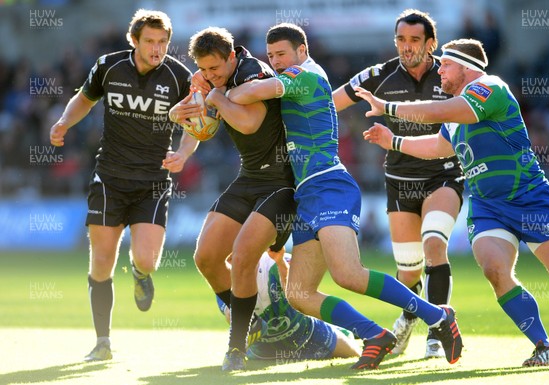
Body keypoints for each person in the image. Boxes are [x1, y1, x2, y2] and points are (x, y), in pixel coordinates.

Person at [223, 23, 463, 370]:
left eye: (281, 54)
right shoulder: (292, 80)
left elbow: (247, 94)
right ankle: (375, 335)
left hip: (329, 185)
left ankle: (437, 316)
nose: (274, 61)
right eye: (270, 55)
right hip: (308, 194)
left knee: (348, 274)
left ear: (302, 51)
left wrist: (218, 94)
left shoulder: (305, 75)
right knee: (299, 293)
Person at [358, 38, 549, 366]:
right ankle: (544, 347)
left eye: (445, 64)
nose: (439, 69)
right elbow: (439, 146)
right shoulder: (457, 111)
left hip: (529, 199)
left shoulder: (489, 88)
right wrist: (394, 140)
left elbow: (439, 110)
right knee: (494, 268)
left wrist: (387, 107)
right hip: (488, 206)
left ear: (466, 67)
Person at [49, 9, 197, 361]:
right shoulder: (108, 66)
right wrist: (63, 123)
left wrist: (185, 152)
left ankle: (139, 274)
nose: (157, 48)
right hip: (109, 178)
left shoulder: (180, 76)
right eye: (150, 41)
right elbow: (84, 98)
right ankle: (102, 342)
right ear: (134, 40)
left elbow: (197, 121)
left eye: (163, 42)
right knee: (100, 262)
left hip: (153, 181)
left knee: (146, 259)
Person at [332, 9, 464, 358]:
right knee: (408, 273)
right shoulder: (379, 75)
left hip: (443, 175)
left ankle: (436, 333)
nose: (406, 47)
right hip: (400, 181)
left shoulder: (449, 74)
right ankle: (406, 320)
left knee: (434, 244)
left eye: (414, 40)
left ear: (431, 43)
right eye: (401, 40)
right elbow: (333, 102)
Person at [168, 27, 296, 371]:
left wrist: (216, 98)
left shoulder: (253, 72)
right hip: (250, 176)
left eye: (215, 68)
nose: (209, 75)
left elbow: (250, 123)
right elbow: (199, 123)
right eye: (204, 69)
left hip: (282, 181)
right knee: (206, 258)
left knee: (242, 258)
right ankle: (255, 324)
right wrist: (180, 127)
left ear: (231, 56)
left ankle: (236, 347)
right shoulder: (210, 77)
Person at [216, 249, 360, 362]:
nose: (236, 261)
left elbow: (299, 294)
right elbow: (231, 317)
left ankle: (350, 331)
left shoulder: (276, 261)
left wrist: (280, 264)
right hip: (262, 351)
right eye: (229, 258)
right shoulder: (222, 280)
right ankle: (344, 330)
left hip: (308, 334)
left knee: (355, 354)